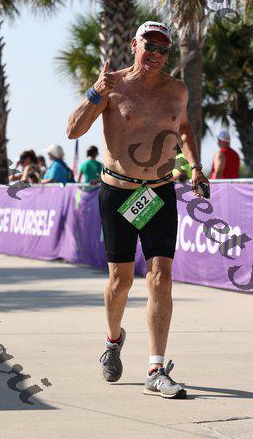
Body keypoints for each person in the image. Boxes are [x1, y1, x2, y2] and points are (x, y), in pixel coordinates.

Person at [67, 20, 209, 399]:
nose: (157, 54)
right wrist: (96, 93)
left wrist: (195, 166)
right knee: (121, 281)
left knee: (161, 277)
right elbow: (73, 130)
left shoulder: (177, 90)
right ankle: (113, 340)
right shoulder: (112, 85)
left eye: (164, 49)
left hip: (159, 192)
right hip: (118, 193)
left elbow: (184, 129)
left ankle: (155, 368)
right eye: (151, 46)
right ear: (135, 45)